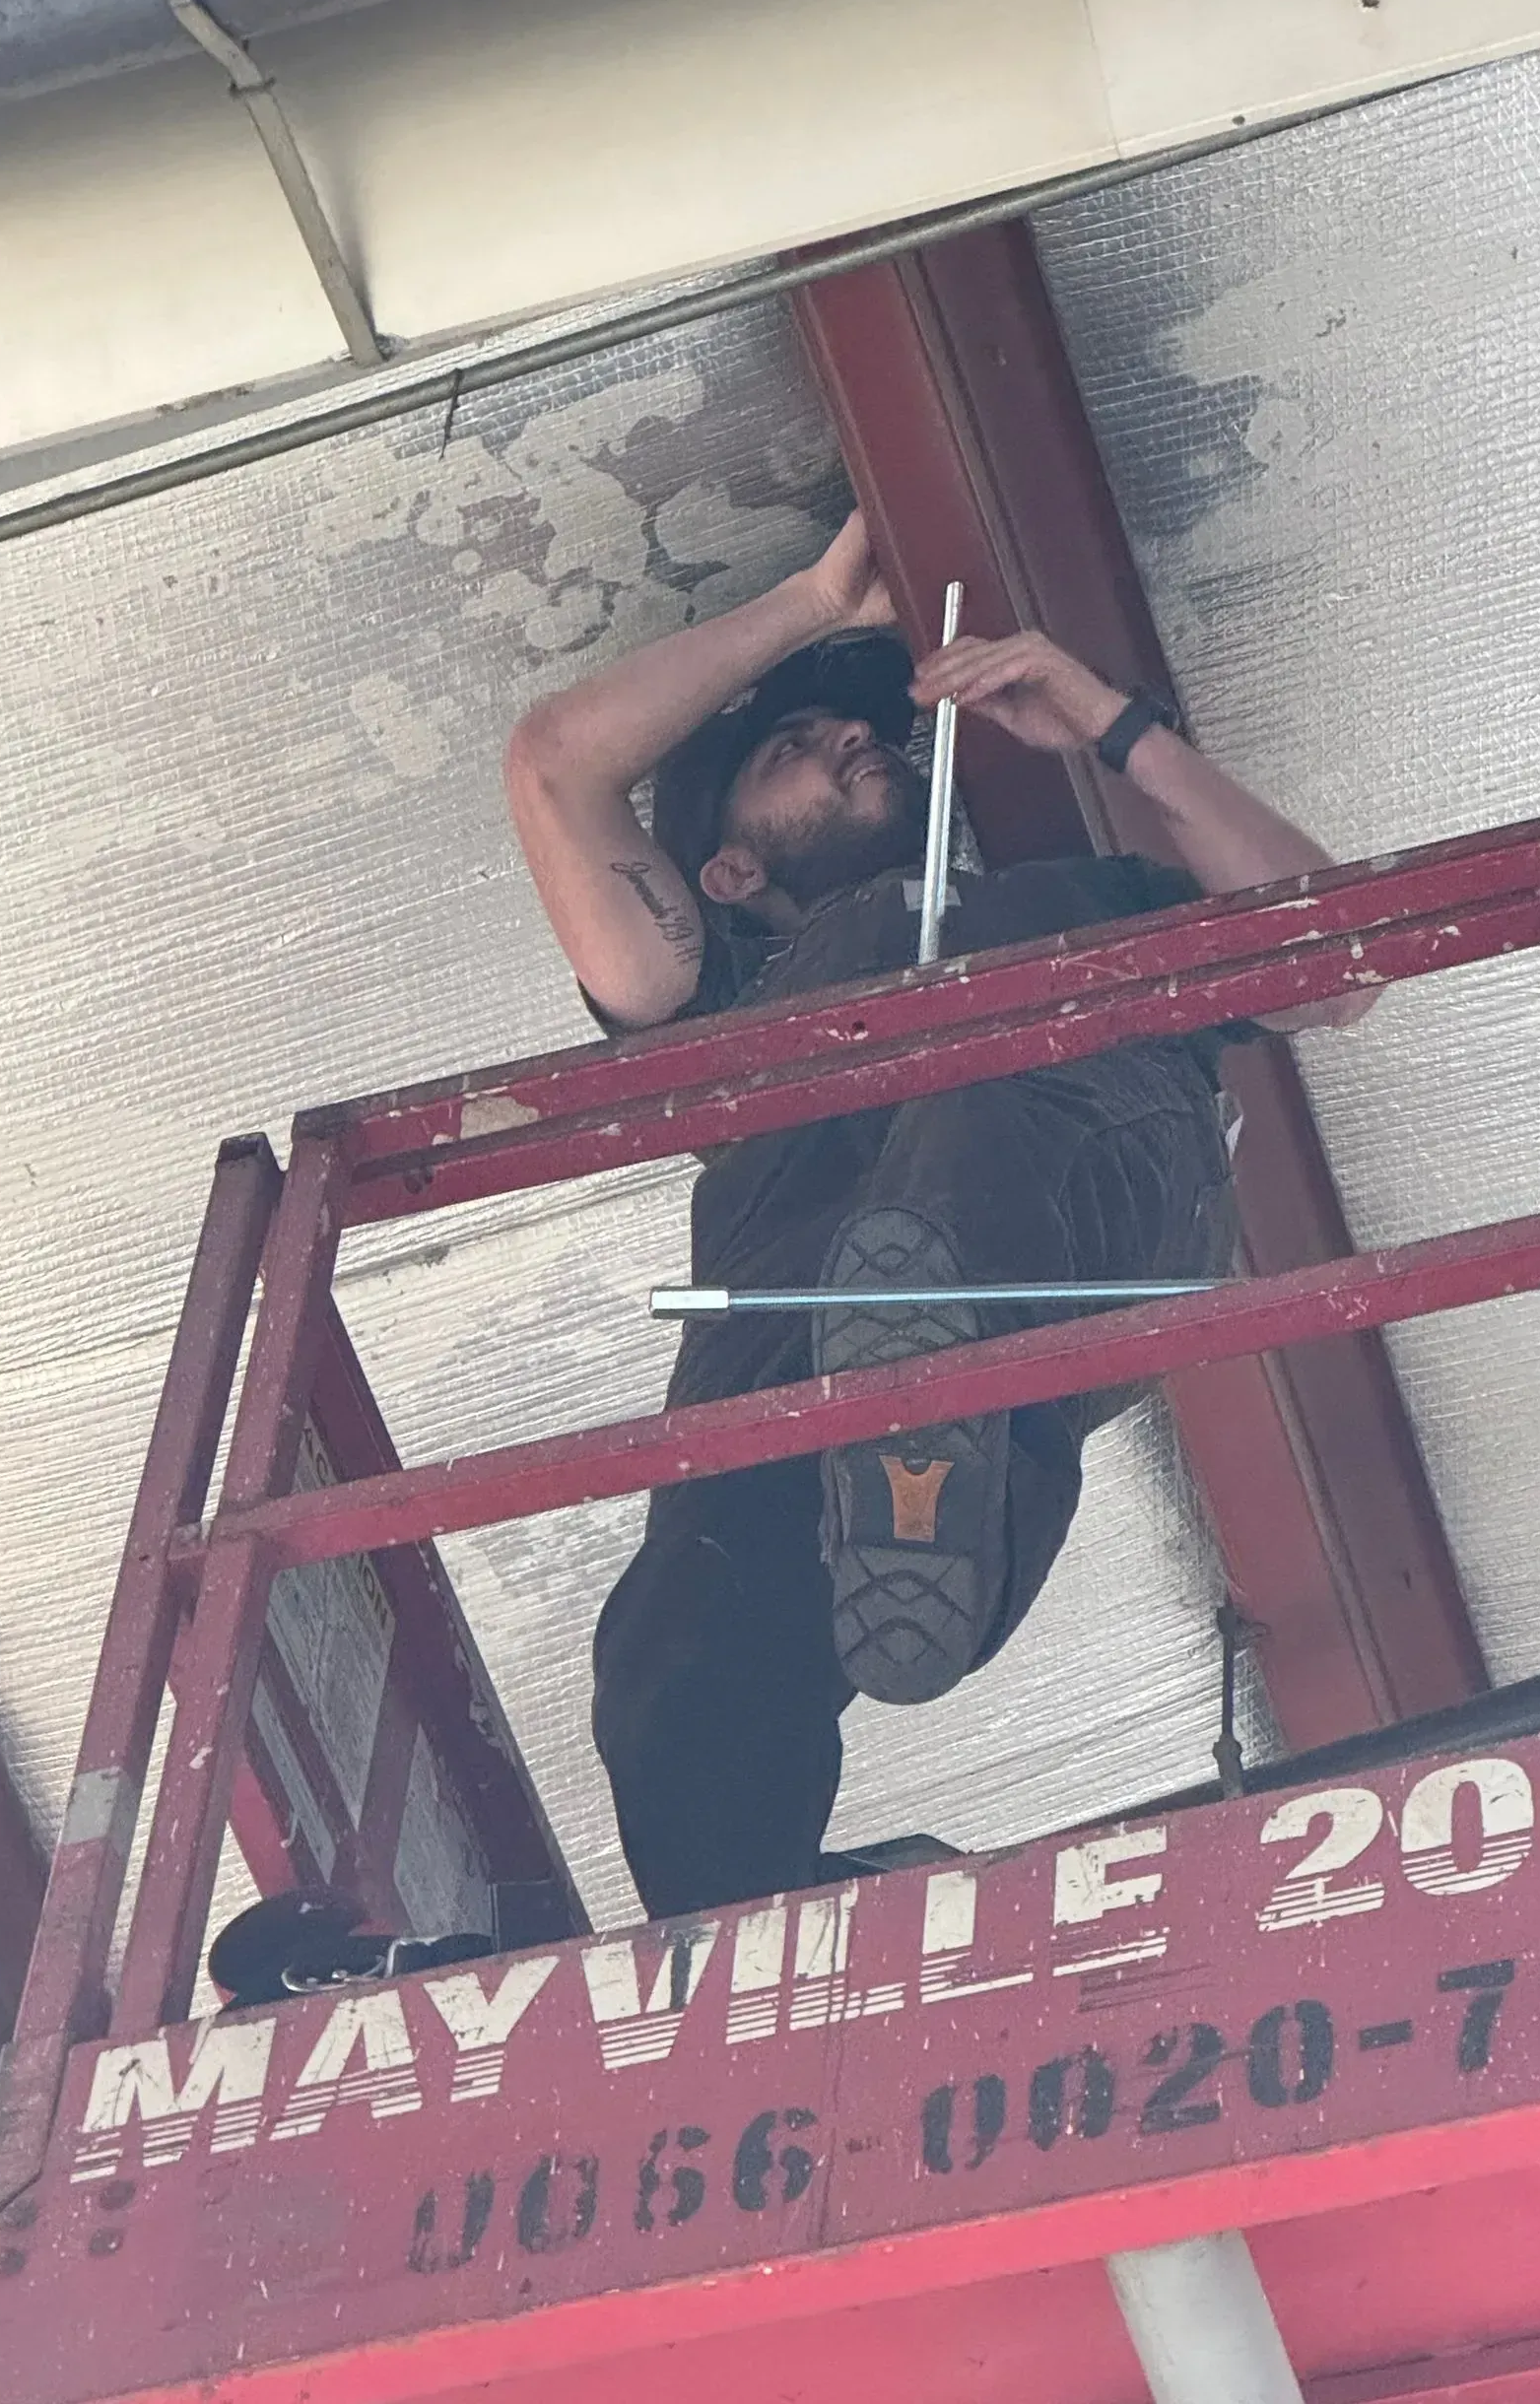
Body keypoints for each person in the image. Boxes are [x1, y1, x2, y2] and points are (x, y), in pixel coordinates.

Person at [506, 512, 1373, 1917]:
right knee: (671, 1642)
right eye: (800, 747)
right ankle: (766, 1948)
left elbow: (1341, 963)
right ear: (727, 875)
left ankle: (932, 1427)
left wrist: (1108, 722)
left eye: (865, 737)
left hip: (1071, 1180)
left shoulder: (1093, 902)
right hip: (800, 1356)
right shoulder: (708, 1001)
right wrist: (811, 596)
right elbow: (553, 765)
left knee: (971, 1096)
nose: (858, 743)